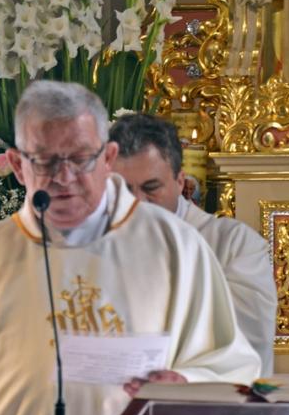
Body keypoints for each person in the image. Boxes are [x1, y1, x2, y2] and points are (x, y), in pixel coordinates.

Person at [0, 81, 261, 415]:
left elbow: (231, 365)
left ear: (108, 158)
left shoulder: (176, 248)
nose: (64, 176)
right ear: (18, 166)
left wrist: (186, 384)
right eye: (45, 161)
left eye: (81, 158)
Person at [109, 112, 278, 376]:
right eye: (124, 189)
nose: (137, 202)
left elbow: (248, 338)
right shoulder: (93, 242)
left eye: (151, 187)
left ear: (180, 182)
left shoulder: (235, 245)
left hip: (200, 396)